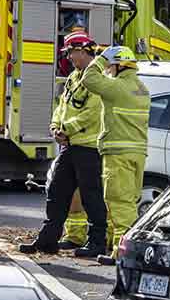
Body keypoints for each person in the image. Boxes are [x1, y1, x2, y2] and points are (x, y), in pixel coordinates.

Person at [20, 32, 108, 256]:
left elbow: (92, 113)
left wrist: (65, 129)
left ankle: (96, 242)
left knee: (92, 197)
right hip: (70, 146)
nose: (68, 57)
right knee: (57, 192)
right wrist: (54, 127)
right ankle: (47, 240)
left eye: (71, 52)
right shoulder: (73, 77)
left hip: (88, 147)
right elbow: (62, 106)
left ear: (83, 50)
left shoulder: (97, 78)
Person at [77, 45, 149, 264]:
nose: (108, 70)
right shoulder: (141, 88)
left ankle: (122, 255)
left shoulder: (118, 87)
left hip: (118, 153)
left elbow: (88, 79)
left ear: (118, 66)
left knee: (120, 204)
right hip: (137, 152)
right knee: (128, 202)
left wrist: (100, 59)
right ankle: (114, 247)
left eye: (111, 66)